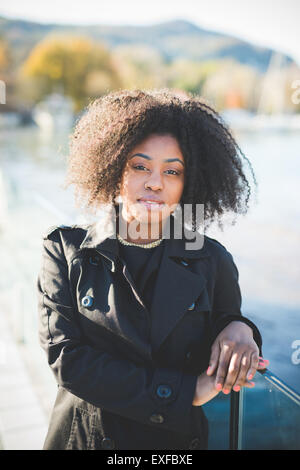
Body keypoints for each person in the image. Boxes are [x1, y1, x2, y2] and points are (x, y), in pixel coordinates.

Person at [37, 88, 268, 450]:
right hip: (86, 440)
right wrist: (184, 392)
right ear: (113, 170)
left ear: (188, 184)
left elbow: (226, 319)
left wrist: (241, 328)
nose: (155, 182)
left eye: (172, 171)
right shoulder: (64, 250)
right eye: (139, 166)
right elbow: (67, 360)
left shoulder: (212, 259)